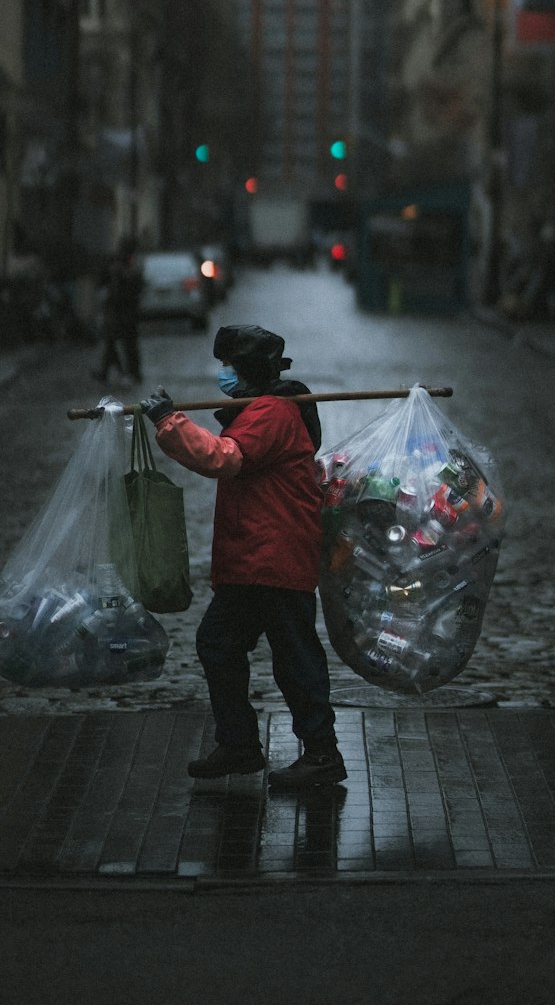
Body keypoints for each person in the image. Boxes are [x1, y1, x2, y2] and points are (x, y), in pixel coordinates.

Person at [140, 324, 346, 791]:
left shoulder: (271, 412)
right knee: (222, 644)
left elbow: (223, 458)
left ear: (249, 371)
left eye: (228, 367)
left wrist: (169, 421)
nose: (223, 375)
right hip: (258, 558)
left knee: (291, 659)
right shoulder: (265, 408)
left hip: (272, 558)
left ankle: (319, 753)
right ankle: (240, 745)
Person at [92, 237, 144, 385]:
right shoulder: (119, 264)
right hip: (119, 309)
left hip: (124, 310)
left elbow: (134, 286)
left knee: (124, 343)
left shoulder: (130, 266)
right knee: (115, 342)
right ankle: (118, 372)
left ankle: (129, 372)